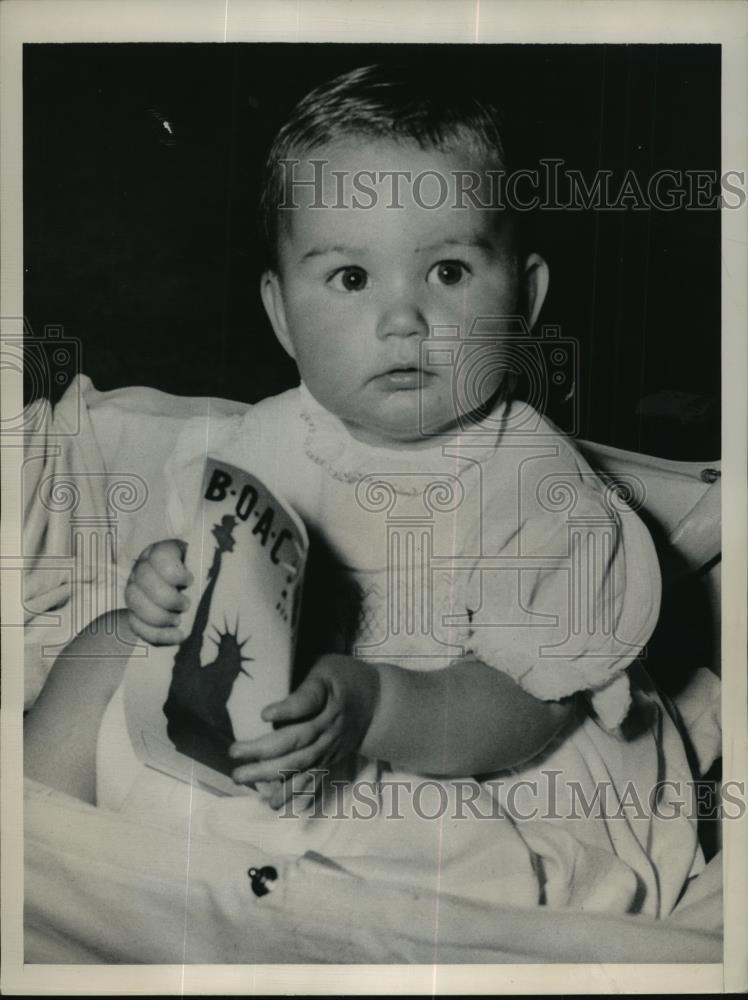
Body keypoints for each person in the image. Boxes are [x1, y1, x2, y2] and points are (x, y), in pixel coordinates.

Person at [24, 65, 705, 922]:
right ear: (282, 317)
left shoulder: (539, 486)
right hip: (287, 715)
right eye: (351, 279)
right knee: (106, 642)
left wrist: (377, 707)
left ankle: (278, 905)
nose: (402, 320)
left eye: (448, 272)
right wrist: (165, 584)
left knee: (428, 864)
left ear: (525, 298)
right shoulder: (268, 440)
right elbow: (216, 578)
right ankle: (35, 828)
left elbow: (523, 713)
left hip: (466, 757)